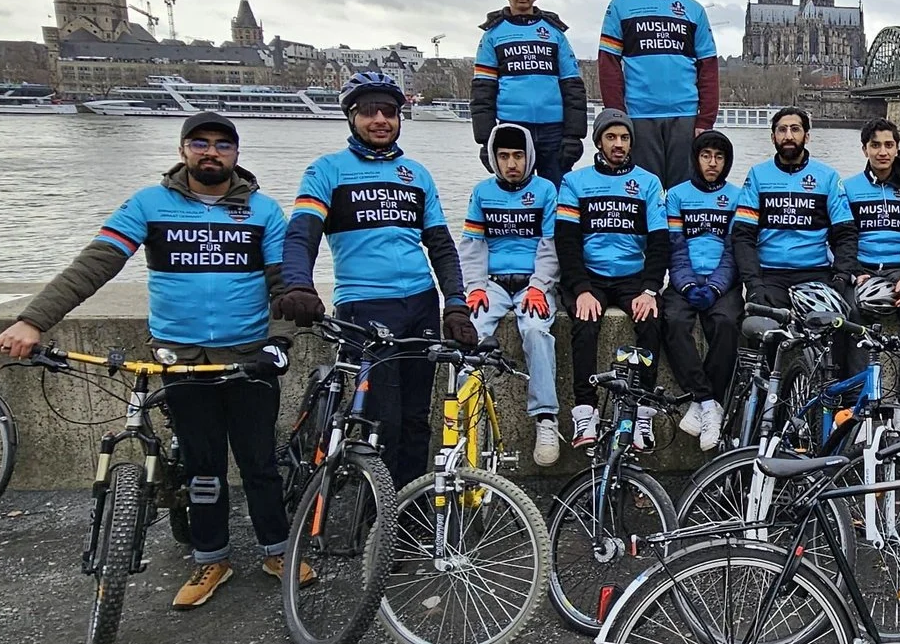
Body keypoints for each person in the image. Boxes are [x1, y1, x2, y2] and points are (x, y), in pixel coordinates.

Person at [0, 112, 298, 608]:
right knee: (202, 467)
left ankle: (278, 550)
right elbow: (94, 265)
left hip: (248, 358)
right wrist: (33, 321)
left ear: (236, 154)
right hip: (182, 359)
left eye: (222, 144)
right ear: (182, 151)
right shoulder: (149, 204)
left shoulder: (263, 211)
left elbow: (286, 285)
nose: (211, 152)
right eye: (199, 143)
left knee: (260, 462)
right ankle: (211, 558)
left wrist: (278, 343)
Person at [274, 72, 477, 489]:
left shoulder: (416, 174)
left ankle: (408, 505)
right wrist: (298, 284)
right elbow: (302, 235)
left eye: (389, 111)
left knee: (417, 417)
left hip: (420, 303)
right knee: (384, 419)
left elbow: (441, 246)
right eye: (369, 111)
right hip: (364, 305)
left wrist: (455, 304)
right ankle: (377, 511)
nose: (380, 119)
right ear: (351, 116)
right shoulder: (327, 171)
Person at [556, 108, 670, 450]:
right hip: (589, 275)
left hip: (632, 276)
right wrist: (581, 289)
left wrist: (650, 289)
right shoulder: (574, 182)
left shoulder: (649, 183)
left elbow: (659, 243)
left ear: (631, 142)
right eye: (611, 137)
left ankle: (641, 412)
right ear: (599, 142)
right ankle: (585, 411)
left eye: (624, 138)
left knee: (651, 320)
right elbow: (566, 242)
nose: (618, 144)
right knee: (584, 323)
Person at [460, 122, 565, 468]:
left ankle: (545, 418)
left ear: (529, 156)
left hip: (532, 283)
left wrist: (539, 285)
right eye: (504, 156)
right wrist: (475, 286)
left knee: (536, 331)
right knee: (471, 331)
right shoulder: (481, 193)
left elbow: (550, 246)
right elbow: (472, 246)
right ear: (494, 158)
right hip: (493, 283)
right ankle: (464, 415)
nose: (511, 164)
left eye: (518, 156)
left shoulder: (546, 191)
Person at [597, 0, 718, 186]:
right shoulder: (620, 5)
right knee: (641, 193)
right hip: (638, 116)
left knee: (683, 195)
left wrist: (705, 121)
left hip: (686, 117)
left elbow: (708, 69)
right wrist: (617, 118)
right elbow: (608, 66)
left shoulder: (694, 10)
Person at [729, 106, 858, 312]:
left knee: (831, 325)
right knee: (760, 326)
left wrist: (841, 277)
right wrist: (753, 283)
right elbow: (743, 235)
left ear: (807, 136)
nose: (788, 136)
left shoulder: (828, 177)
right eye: (782, 130)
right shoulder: (757, 175)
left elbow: (846, 234)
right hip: (769, 274)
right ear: (773, 137)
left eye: (795, 129)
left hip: (815, 272)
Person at [842, 118, 900, 427]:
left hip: (899, 271)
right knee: (851, 315)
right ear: (864, 149)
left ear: (897, 148)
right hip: (862, 269)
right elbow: (841, 239)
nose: (882, 152)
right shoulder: (848, 188)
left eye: (889, 145)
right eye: (875, 145)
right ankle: (856, 403)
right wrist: (854, 273)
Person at [663, 128, 742, 451]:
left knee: (727, 324)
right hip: (685, 280)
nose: (712, 163)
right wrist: (686, 283)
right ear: (696, 159)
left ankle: (702, 404)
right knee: (673, 322)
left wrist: (715, 287)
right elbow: (676, 247)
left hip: (722, 282)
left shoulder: (737, 196)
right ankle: (708, 400)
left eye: (719, 157)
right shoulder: (676, 196)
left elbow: (733, 250)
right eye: (706, 156)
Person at [470, 0, 585, 178]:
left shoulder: (554, 32)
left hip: (554, 130)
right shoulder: (492, 35)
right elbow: (482, 92)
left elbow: (573, 87)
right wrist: (485, 140)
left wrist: (574, 135)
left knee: (557, 192)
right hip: (512, 128)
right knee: (518, 195)